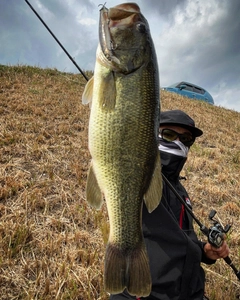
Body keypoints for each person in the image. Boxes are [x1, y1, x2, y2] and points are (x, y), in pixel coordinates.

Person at [110, 109, 229, 300]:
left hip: (189, 293)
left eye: (186, 139)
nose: (178, 142)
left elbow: (177, 239)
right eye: (168, 134)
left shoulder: (180, 190)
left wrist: (205, 252)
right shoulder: (142, 176)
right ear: (151, 135)